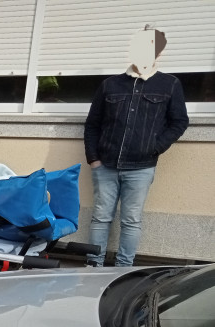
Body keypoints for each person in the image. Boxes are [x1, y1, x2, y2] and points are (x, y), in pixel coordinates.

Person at [84, 26, 188, 267]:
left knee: (131, 220)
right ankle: (92, 267)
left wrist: (154, 147)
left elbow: (179, 122)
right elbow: (92, 124)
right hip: (105, 165)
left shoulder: (169, 85)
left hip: (141, 167)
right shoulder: (110, 85)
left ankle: (122, 270)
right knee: (100, 218)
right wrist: (93, 158)